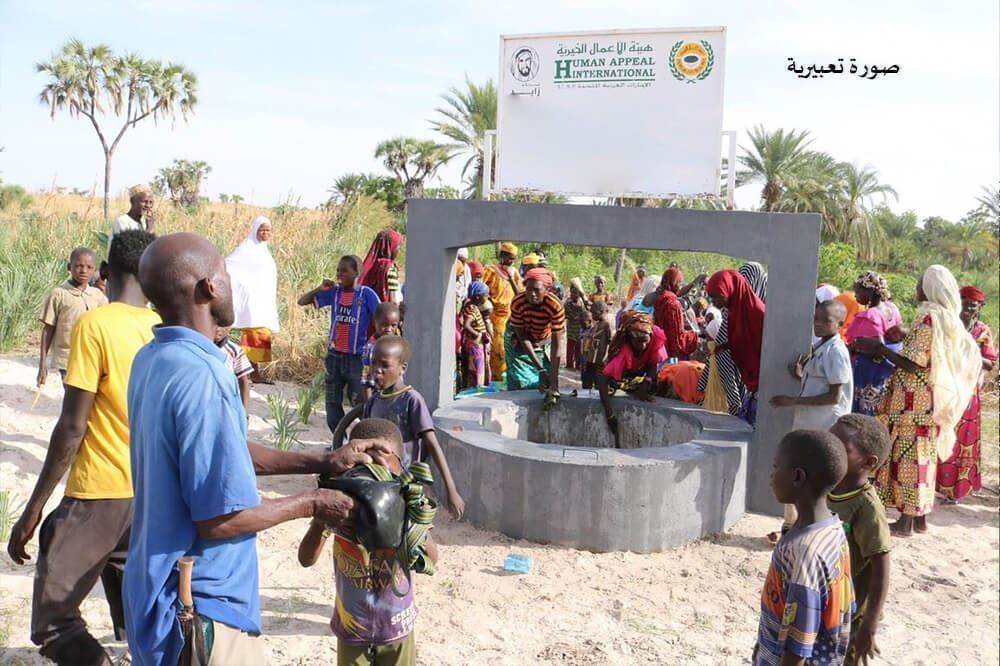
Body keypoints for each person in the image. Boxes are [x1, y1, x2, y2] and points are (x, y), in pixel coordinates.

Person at [123, 232, 390, 665]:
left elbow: (224, 453)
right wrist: (313, 503)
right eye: (227, 274)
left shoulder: (152, 359)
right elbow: (219, 521)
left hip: (154, 590)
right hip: (200, 604)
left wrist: (323, 459)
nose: (232, 283)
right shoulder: (205, 375)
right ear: (210, 288)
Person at [7, 230, 158, 665]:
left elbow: (72, 427)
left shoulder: (96, 324)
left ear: (105, 274)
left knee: (53, 623)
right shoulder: (163, 328)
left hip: (101, 489)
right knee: (132, 594)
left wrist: (35, 507)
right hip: (148, 492)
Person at [298, 417, 438, 666]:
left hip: (397, 628)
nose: (372, 473)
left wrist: (409, 509)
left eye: (382, 465)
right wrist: (322, 516)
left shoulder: (405, 504)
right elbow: (306, 559)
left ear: (399, 465)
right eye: (365, 466)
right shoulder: (342, 511)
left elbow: (432, 560)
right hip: (352, 628)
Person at [856, 265, 981, 536]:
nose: (916, 288)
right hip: (931, 397)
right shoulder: (948, 318)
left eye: (920, 284)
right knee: (925, 457)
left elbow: (913, 363)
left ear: (930, 288)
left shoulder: (928, 317)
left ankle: (905, 522)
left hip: (914, 399)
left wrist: (878, 347)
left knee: (909, 457)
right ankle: (920, 519)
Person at [753, 429, 853, 666]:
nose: (771, 475)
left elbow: (799, 644)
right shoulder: (831, 528)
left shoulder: (805, 552)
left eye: (776, 467)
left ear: (797, 477)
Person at [361, 336, 465, 520]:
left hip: (405, 485)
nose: (376, 371)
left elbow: (432, 444)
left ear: (403, 368)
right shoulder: (373, 402)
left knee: (414, 536)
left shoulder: (411, 400)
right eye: (373, 364)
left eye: (384, 365)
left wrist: (451, 489)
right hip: (377, 483)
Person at [828, 415, 892, 666]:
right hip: (826, 602)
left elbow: (881, 564)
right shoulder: (827, 485)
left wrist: (869, 625)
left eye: (841, 448)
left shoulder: (867, 508)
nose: (830, 449)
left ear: (868, 462)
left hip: (851, 615)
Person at [298, 256, 381, 435]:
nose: (339, 274)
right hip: (334, 356)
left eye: (344, 271)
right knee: (332, 402)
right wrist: (319, 289)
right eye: (337, 270)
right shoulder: (334, 293)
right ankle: (338, 441)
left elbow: (381, 315)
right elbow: (302, 301)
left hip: (356, 358)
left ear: (356, 273)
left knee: (359, 400)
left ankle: (365, 436)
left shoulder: (366, 294)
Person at [936, 285, 997, 503]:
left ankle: (955, 491)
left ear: (980, 307)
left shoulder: (982, 331)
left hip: (968, 392)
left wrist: (967, 352)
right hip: (945, 388)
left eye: (972, 305)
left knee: (963, 439)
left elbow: (990, 363)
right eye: (963, 304)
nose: (966, 309)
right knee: (941, 432)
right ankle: (934, 486)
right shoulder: (948, 325)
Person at [771, 300, 853, 430]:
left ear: (840, 325)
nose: (818, 324)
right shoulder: (822, 347)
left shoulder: (835, 351)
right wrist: (802, 377)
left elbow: (834, 397)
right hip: (812, 421)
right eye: (816, 318)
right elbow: (822, 384)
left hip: (826, 423)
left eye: (826, 321)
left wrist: (792, 401)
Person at [698, 262, 766, 416]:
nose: (714, 302)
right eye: (711, 297)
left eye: (717, 296)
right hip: (752, 382)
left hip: (763, 383)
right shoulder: (735, 312)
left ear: (730, 290)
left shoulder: (758, 314)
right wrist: (718, 348)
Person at [37, 246, 107, 387]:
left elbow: (105, 328)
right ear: (69, 267)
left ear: (95, 271)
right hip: (67, 358)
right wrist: (43, 363)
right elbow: (48, 329)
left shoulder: (98, 296)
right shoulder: (59, 294)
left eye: (89, 267)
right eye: (78, 266)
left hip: (93, 357)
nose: (84, 270)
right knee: (72, 395)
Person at [226, 216, 281, 384]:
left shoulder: (264, 250)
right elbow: (229, 264)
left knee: (261, 333)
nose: (265, 233)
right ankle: (251, 373)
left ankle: (254, 372)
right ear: (255, 230)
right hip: (250, 300)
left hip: (262, 300)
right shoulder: (246, 248)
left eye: (268, 230)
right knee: (253, 333)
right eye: (262, 229)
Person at [597, 311, 667, 435]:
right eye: (638, 342)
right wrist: (609, 414)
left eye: (645, 341)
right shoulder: (623, 352)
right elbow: (602, 379)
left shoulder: (655, 338)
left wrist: (646, 383)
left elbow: (653, 363)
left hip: (642, 372)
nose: (643, 345)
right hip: (625, 375)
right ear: (630, 339)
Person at [845, 271, 904, 415]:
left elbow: (876, 347)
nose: (855, 295)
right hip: (887, 369)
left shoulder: (870, 315)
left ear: (870, 292)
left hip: (869, 372)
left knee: (865, 412)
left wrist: (854, 348)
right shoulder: (892, 308)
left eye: (858, 292)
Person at [506, 268, 565, 393]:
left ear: (547, 290)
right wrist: (540, 369)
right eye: (528, 289)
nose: (532, 294)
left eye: (537, 290)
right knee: (521, 378)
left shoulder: (555, 306)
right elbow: (522, 337)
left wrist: (554, 383)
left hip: (543, 338)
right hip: (518, 337)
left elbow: (556, 346)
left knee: (547, 381)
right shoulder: (518, 302)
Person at [482, 242, 524, 380]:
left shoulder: (515, 273)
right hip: (496, 317)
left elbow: (520, 292)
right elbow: (482, 290)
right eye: (509, 258)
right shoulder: (491, 271)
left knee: (510, 348)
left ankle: (508, 378)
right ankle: (497, 379)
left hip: (511, 316)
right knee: (497, 350)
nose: (511, 261)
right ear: (502, 256)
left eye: (514, 258)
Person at [644, 266, 698, 360]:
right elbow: (677, 340)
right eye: (680, 283)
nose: (680, 286)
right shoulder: (673, 303)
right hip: (669, 354)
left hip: (658, 347)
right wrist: (694, 336)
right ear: (674, 283)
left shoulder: (661, 297)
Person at [362, 302, 403, 402]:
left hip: (396, 394)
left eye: (393, 325)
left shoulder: (397, 342)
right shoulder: (371, 348)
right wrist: (369, 403)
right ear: (375, 322)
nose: (389, 329)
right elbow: (365, 380)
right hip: (378, 396)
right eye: (384, 325)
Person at [460, 281, 492, 389]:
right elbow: (466, 325)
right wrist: (478, 334)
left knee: (475, 367)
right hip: (475, 343)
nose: (488, 296)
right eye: (486, 294)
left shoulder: (472, 306)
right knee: (478, 367)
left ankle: (477, 385)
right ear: (478, 297)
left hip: (475, 343)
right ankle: (478, 387)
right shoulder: (472, 308)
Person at [215, 324, 253, 413]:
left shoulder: (235, 351)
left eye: (222, 325)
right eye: (215, 324)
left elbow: (243, 381)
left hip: (228, 404)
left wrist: (245, 414)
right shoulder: (199, 347)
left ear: (230, 327)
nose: (218, 329)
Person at [360, 229, 403, 304]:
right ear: (390, 247)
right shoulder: (389, 268)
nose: (399, 251)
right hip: (385, 311)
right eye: (398, 247)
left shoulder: (369, 265)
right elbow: (394, 300)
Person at [563, 278, 588, 371]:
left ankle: (578, 364)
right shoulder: (568, 302)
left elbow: (586, 311)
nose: (575, 295)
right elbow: (565, 314)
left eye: (577, 293)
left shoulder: (581, 302)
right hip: (571, 328)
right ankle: (569, 364)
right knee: (570, 346)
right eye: (573, 293)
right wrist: (571, 316)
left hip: (580, 328)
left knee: (578, 346)